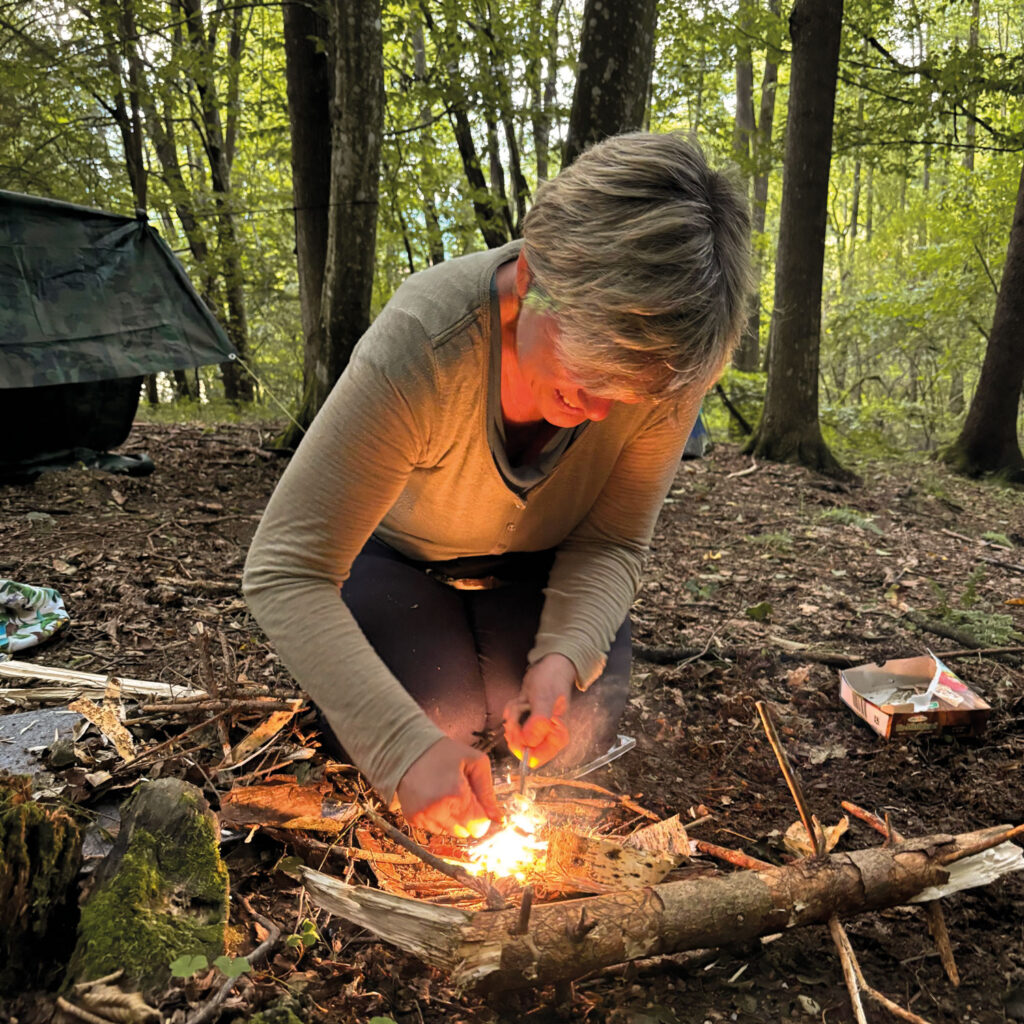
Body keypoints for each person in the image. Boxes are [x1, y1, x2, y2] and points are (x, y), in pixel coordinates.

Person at [243, 132, 752, 839]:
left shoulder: (667, 369)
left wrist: (561, 658)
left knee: (568, 728)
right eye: (590, 376)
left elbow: (611, 540)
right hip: (399, 562)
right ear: (532, 280)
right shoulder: (427, 340)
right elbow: (287, 569)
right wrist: (402, 748)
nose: (604, 412)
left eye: (627, 394)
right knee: (437, 714)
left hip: (540, 567)